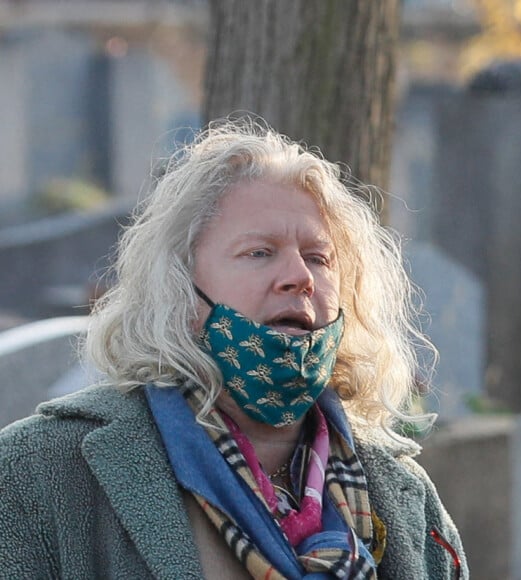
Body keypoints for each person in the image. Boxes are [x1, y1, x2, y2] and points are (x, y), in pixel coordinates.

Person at [0, 119, 468, 579]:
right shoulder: (41, 471)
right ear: (179, 291)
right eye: (259, 252)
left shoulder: (407, 499)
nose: (300, 278)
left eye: (318, 258)